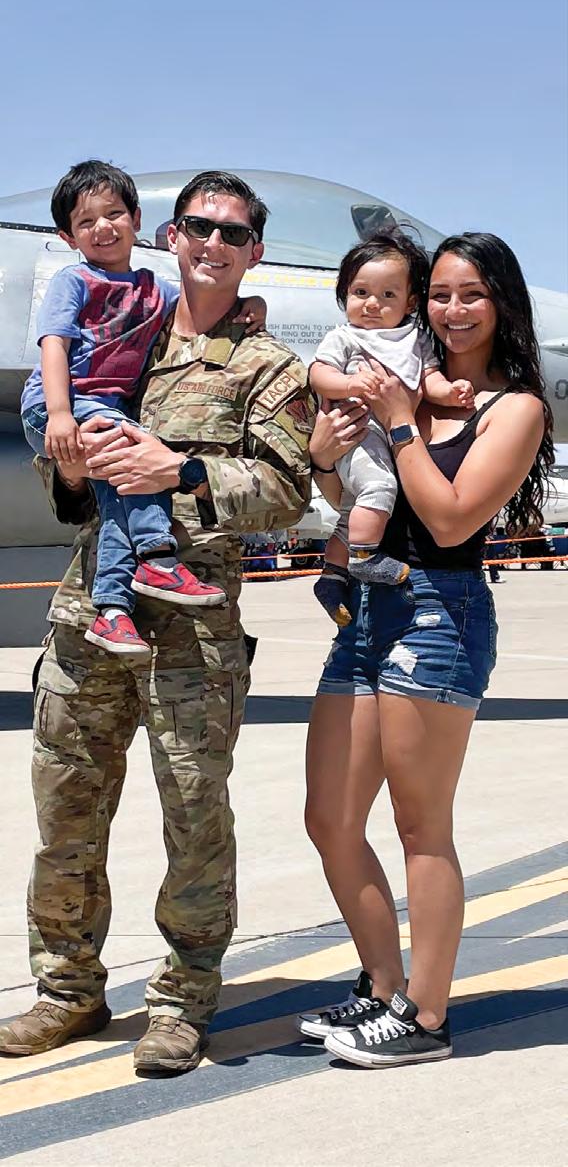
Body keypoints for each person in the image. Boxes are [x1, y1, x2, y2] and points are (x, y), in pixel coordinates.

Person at [0, 170, 316, 1075]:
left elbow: (285, 493)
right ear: (169, 237)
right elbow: (64, 485)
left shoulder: (268, 367)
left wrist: (179, 470)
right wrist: (68, 461)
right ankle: (67, 989)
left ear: (254, 251)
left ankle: (182, 1001)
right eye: (198, 227)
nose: (213, 243)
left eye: (233, 233)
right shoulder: (122, 334)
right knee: (65, 811)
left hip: (194, 628)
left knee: (193, 817)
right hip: (87, 617)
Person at [298, 232, 553, 1068]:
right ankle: (382, 985)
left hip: (440, 612)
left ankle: (427, 1015)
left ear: (501, 301)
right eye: (440, 293)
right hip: (365, 608)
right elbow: (352, 491)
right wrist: (324, 460)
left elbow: (447, 518)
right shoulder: (398, 373)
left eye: (471, 293)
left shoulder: (513, 408)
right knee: (330, 816)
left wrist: (403, 419)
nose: (453, 308)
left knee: (420, 825)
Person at [20, 160, 266, 656]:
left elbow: (199, 303)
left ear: (136, 219)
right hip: (60, 403)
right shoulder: (74, 280)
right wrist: (61, 414)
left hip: (101, 409)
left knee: (121, 490)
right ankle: (156, 555)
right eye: (86, 221)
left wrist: (252, 303)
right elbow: (53, 344)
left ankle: (112, 610)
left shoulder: (155, 291)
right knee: (139, 455)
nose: (103, 227)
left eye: (114, 214)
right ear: (67, 236)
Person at [309, 232, 474, 627]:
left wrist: (450, 393)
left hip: (385, 436)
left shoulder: (415, 338)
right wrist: (349, 384)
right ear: (344, 295)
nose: (372, 303)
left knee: (354, 509)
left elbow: (428, 379)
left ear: (410, 303)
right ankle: (365, 558)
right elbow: (318, 374)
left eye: (387, 295)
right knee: (380, 488)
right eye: (360, 292)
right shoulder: (345, 336)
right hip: (359, 430)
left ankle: (332, 576)